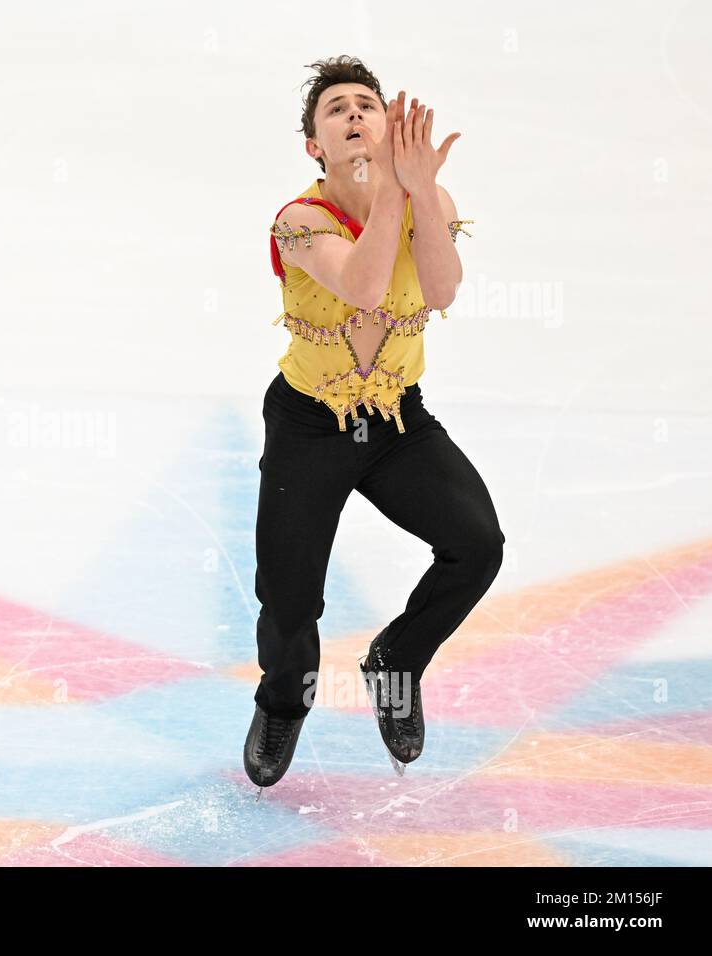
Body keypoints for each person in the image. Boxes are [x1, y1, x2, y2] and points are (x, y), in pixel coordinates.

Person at [243, 57, 504, 789]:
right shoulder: (298, 221)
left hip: (395, 423)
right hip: (309, 425)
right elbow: (361, 285)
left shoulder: (430, 197)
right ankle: (284, 701)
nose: (355, 114)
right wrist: (394, 189)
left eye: (367, 104)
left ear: (390, 127)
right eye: (336, 110)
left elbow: (444, 288)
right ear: (314, 146)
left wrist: (417, 189)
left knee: (477, 546)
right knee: (289, 600)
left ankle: (396, 661)